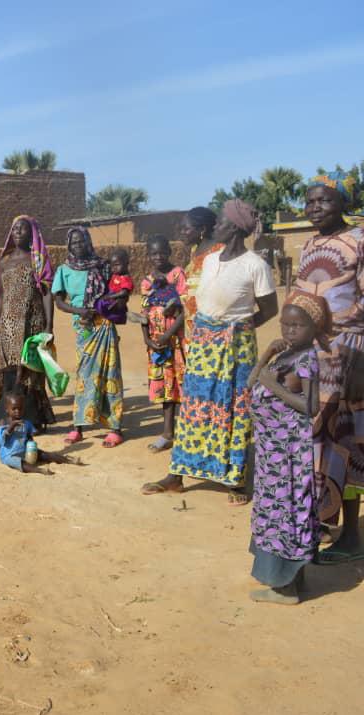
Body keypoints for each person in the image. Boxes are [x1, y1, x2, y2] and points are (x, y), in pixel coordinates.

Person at [143, 199, 278, 503]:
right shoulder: (211, 260)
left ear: (235, 229)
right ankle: (177, 474)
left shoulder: (255, 265)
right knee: (195, 406)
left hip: (236, 345)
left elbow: (270, 309)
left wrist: (238, 329)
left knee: (234, 409)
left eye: (222, 222)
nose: (216, 226)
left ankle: (234, 480)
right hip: (203, 342)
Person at [295, 171, 364, 564]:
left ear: (343, 203)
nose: (314, 207)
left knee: (347, 441)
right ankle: (320, 519)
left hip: (349, 354)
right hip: (312, 355)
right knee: (314, 439)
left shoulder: (359, 240)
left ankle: (351, 534)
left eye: (323, 200)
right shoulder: (309, 245)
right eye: (309, 201)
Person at [246, 293, 327, 604]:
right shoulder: (286, 355)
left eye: (298, 325)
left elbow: (310, 407)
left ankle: (285, 588)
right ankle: (293, 580)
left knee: (285, 513)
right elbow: (251, 383)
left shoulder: (307, 359)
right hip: (272, 453)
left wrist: (274, 387)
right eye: (285, 324)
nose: (290, 331)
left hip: (287, 456)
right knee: (278, 512)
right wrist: (267, 354)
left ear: (314, 328)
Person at [52, 227, 125, 448]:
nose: (78, 246)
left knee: (110, 372)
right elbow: (59, 301)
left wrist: (110, 305)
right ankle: (79, 426)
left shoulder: (103, 266)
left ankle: (115, 428)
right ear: (68, 245)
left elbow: (119, 289)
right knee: (84, 375)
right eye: (73, 243)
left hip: (104, 324)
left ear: (88, 241)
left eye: (81, 241)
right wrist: (79, 311)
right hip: (83, 327)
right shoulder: (64, 269)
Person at [0, 215, 55, 429]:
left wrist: (49, 326)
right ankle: (9, 417)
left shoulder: (37, 261)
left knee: (30, 371)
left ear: (32, 234)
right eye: (15, 228)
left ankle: (32, 420)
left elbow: (47, 293)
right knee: (9, 370)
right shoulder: (4, 262)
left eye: (23, 229)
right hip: (8, 326)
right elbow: (2, 297)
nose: (18, 232)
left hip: (31, 322)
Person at [140, 236, 188, 452]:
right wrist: (148, 339)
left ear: (169, 252)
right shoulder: (147, 281)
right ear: (148, 255)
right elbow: (144, 313)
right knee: (166, 388)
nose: (158, 257)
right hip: (157, 344)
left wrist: (169, 334)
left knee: (183, 384)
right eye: (154, 253)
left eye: (162, 252)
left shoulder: (177, 275)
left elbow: (185, 308)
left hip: (176, 341)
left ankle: (187, 430)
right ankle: (168, 432)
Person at [0, 393, 79, 475]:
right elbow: (1, 440)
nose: (17, 411)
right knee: (18, 463)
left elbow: (29, 436)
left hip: (24, 451)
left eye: (20, 408)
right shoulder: (4, 423)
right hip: (9, 454)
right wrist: (11, 426)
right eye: (14, 409)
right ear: (7, 409)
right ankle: (39, 470)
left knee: (44, 454)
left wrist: (31, 444)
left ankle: (68, 460)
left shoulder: (26, 423)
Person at [178, 207, 223, 339]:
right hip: (191, 322)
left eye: (186, 229)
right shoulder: (194, 250)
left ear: (202, 229)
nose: (182, 232)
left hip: (211, 326)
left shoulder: (220, 252)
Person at [94, 248, 133, 324]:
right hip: (111, 295)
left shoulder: (125, 278)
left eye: (117, 265)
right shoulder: (116, 275)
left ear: (126, 263)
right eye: (112, 266)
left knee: (103, 305)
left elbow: (124, 292)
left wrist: (110, 296)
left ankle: (123, 316)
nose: (114, 268)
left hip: (116, 298)